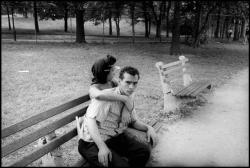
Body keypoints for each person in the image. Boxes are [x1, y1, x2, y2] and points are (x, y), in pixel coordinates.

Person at [77, 66, 158, 167]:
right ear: (119, 81)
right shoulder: (107, 97)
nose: (131, 87)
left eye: (135, 83)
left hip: (113, 136)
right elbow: (90, 121)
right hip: (91, 142)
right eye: (128, 82)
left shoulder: (128, 98)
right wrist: (102, 147)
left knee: (143, 151)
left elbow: (133, 122)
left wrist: (148, 128)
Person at [89, 54, 135, 125]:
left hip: (116, 119)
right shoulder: (94, 88)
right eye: (113, 70)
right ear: (104, 73)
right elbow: (99, 95)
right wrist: (124, 99)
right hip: (102, 123)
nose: (115, 72)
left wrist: (126, 110)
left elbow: (129, 91)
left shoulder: (112, 82)